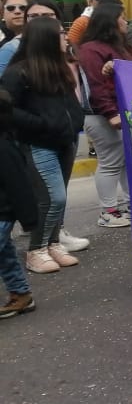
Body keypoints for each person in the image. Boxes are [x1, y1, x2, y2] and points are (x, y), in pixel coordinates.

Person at [1, 17, 84, 275]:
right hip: (38, 144)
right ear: (46, 38)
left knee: (59, 200)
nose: (66, 37)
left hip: (65, 141)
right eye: (60, 33)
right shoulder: (18, 72)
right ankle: (36, 250)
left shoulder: (60, 67)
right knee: (50, 198)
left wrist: (74, 122)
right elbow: (7, 110)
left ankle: (53, 243)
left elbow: (72, 103)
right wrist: (42, 124)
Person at [76, 2, 132, 228]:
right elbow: (96, 85)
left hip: (120, 112)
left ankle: (130, 206)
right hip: (102, 115)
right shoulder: (92, 49)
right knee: (111, 163)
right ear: (111, 21)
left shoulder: (121, 46)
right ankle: (108, 211)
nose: (126, 22)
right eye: (122, 17)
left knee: (124, 163)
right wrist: (111, 113)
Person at [0, 87, 39, 319]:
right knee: (4, 255)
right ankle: (21, 294)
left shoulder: (4, 149)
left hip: (2, 213)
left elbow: (20, 187)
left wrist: (29, 219)